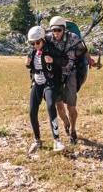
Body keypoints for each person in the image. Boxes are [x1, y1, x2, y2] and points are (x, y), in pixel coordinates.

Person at [46, 16, 93, 145]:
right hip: (56, 76)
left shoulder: (74, 38)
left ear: (64, 29)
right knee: (59, 105)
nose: (56, 33)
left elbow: (84, 51)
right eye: (54, 30)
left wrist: (90, 61)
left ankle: (73, 130)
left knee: (71, 105)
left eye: (59, 30)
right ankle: (66, 122)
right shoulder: (47, 39)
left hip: (71, 74)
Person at [25, 25, 66, 153]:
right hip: (37, 83)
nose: (35, 45)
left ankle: (57, 140)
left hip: (49, 83)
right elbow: (32, 67)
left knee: (50, 106)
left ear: (43, 39)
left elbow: (64, 61)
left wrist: (53, 60)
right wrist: (28, 64)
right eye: (32, 43)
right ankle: (37, 140)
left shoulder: (51, 49)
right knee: (32, 111)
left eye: (37, 42)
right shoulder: (32, 51)